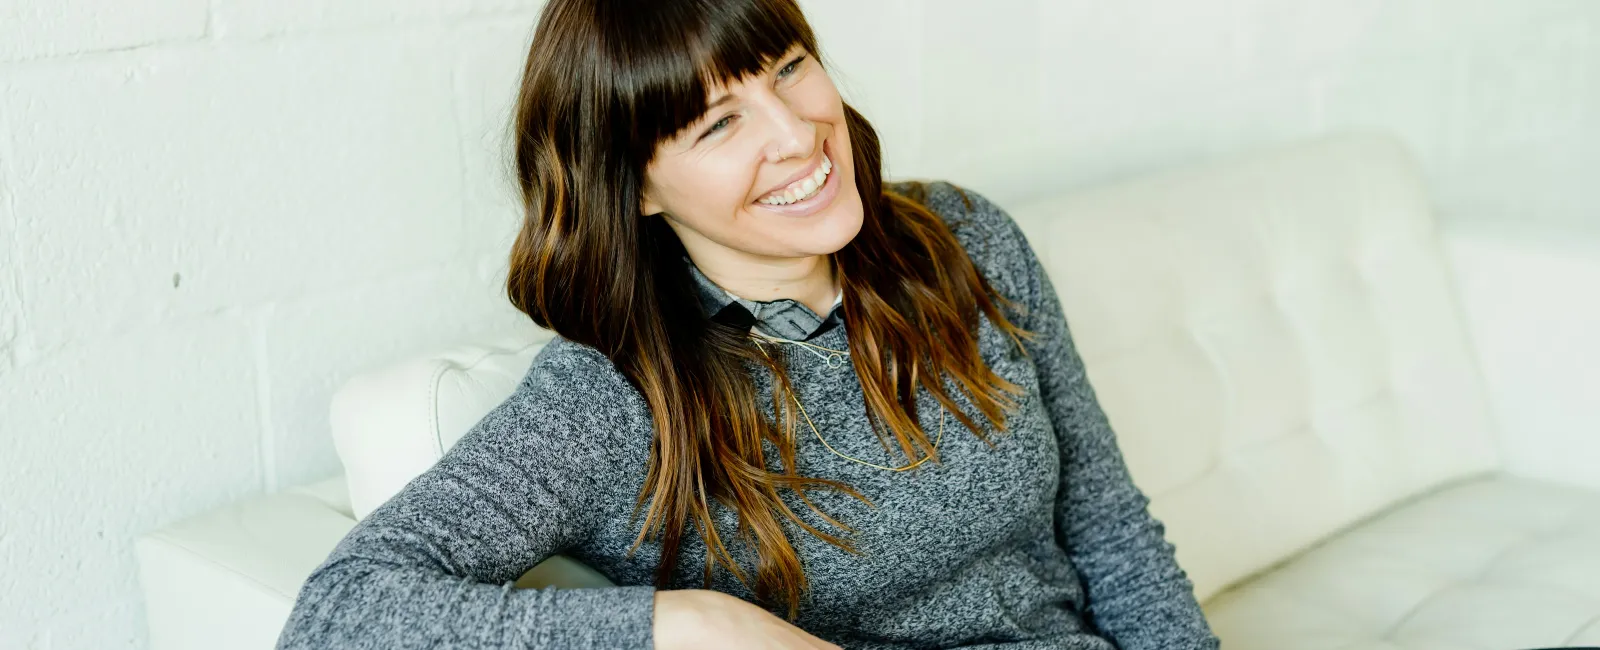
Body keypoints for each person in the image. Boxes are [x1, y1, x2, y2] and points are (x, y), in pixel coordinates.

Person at [275, 0, 1221, 648]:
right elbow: (340, 613)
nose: (798, 131)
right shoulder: (617, 397)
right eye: (717, 124)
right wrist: (682, 626)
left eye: (789, 69)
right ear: (636, 185)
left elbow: (1110, 529)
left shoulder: (962, 240)